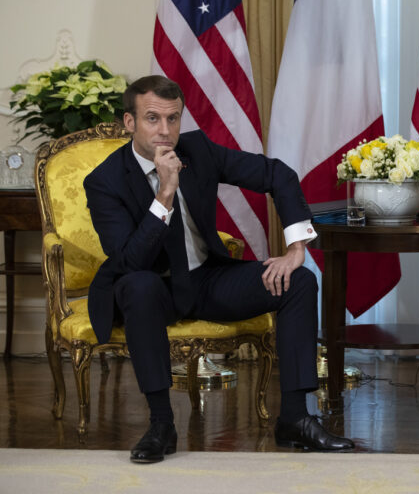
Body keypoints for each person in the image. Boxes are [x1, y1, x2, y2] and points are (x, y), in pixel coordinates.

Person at [84, 75, 354, 463]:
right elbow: (129, 261)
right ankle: (162, 425)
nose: (165, 131)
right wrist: (164, 193)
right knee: (138, 285)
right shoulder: (105, 180)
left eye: (173, 119)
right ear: (130, 123)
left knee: (299, 281)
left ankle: (295, 418)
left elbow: (278, 174)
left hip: (205, 280)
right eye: (152, 119)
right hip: (153, 287)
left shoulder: (197, 150)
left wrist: (297, 248)